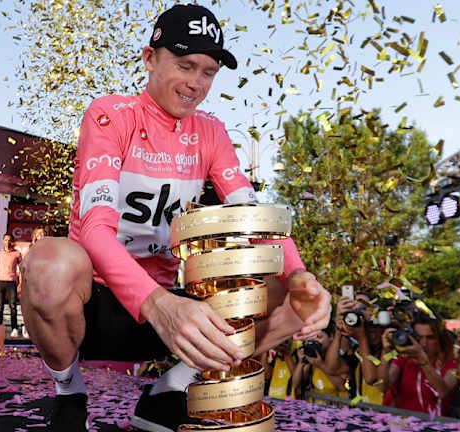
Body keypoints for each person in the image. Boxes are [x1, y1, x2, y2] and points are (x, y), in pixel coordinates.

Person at [19, 4, 332, 432]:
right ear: (150, 58)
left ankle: (170, 389)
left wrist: (300, 278)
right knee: (48, 261)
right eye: (185, 66)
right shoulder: (109, 114)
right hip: (97, 303)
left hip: (174, 310)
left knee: (292, 295)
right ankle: (69, 395)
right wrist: (159, 305)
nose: (195, 84)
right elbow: (94, 228)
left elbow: (251, 215)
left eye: (208, 72)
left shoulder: (212, 131)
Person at [378, 314, 458, 416]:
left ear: (440, 339)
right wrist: (385, 352)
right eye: (419, 338)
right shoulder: (404, 359)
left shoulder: (451, 362)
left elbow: (442, 392)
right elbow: (382, 386)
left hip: (436, 426)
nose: (424, 343)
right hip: (403, 425)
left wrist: (421, 359)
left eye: (430, 338)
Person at [329, 292, 386, 405]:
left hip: (385, 416)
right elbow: (332, 369)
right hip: (363, 416)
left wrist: (362, 338)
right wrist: (339, 330)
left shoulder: (389, 351)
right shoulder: (357, 350)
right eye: (368, 330)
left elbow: (371, 378)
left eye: (376, 329)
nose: (372, 335)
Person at [0, 233, 22, 337]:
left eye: (9, 240)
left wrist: (20, 282)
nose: (7, 242)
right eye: (5, 240)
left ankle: (14, 328)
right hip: (0, 282)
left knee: (13, 306)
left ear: (11, 241)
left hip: (11, 282)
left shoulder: (17, 253)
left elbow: (21, 269)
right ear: (3, 241)